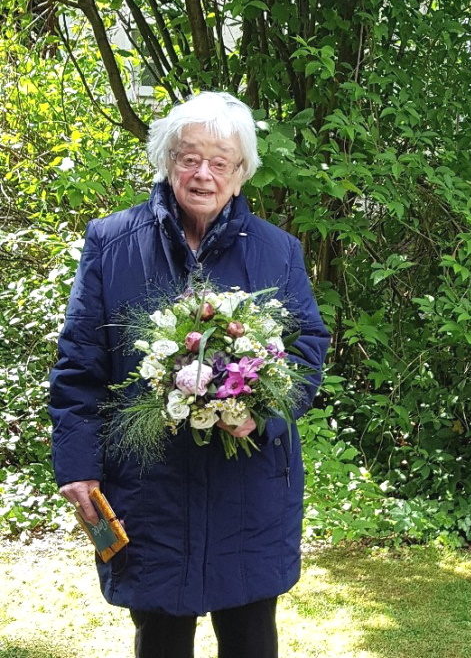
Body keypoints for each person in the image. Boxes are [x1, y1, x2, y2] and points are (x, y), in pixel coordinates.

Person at [49, 91, 330, 658]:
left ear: (241, 172)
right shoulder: (112, 243)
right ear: (168, 161)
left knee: (251, 638)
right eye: (189, 158)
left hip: (247, 487)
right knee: (161, 640)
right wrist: (77, 466)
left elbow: (308, 349)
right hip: (148, 486)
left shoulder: (279, 252)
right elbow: (80, 364)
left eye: (220, 162)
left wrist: (261, 415)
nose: (203, 174)